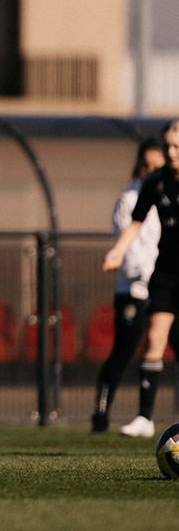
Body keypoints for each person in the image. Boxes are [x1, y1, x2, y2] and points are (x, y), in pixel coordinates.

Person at [104, 122, 179, 438]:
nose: (171, 153)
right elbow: (135, 224)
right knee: (154, 340)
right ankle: (145, 419)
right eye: (169, 146)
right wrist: (118, 251)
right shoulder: (156, 183)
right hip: (166, 273)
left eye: (177, 147)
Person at [92, 137, 167, 433]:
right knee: (123, 352)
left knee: (161, 345)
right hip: (134, 290)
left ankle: (144, 417)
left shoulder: (168, 197)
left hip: (163, 290)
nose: (150, 171)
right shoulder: (129, 200)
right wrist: (158, 275)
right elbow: (131, 255)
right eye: (145, 165)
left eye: (156, 165)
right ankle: (100, 415)